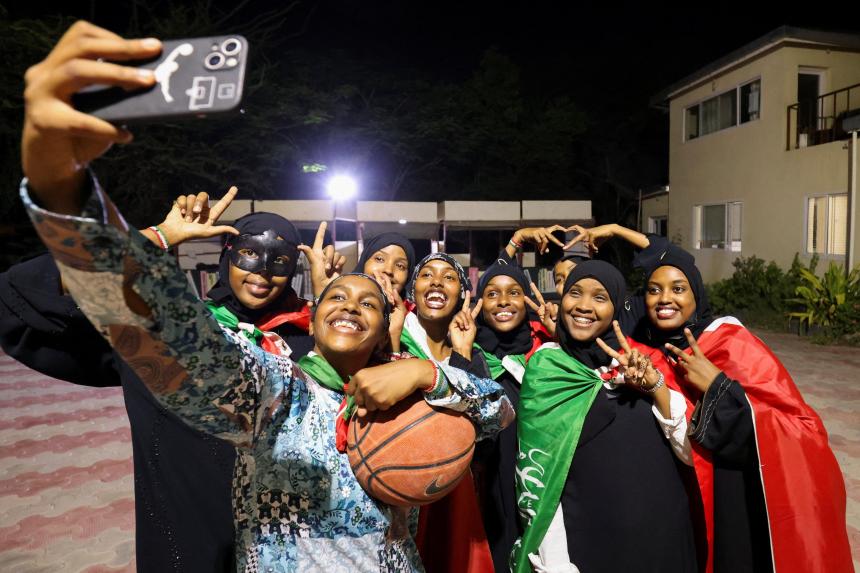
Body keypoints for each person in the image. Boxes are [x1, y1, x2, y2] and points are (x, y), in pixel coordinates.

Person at [18, 21, 513, 572]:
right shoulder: (277, 392)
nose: (349, 304)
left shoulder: (408, 393)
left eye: (368, 302)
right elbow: (169, 326)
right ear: (314, 311)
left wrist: (426, 376)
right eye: (336, 296)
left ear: (386, 324)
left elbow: (497, 410)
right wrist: (64, 187)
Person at [624, 238, 852, 573]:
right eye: (654, 290)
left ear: (696, 294)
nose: (665, 299)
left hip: (739, 498)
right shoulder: (650, 347)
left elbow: (798, 425)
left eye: (678, 288)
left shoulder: (728, 340)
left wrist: (718, 386)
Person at [513, 261, 697, 573]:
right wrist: (556, 563)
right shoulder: (547, 369)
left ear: (616, 307)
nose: (584, 306)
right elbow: (537, 475)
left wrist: (655, 387)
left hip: (663, 543)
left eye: (600, 297)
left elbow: (691, 453)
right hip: (590, 547)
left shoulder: (647, 361)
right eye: (575, 293)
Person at [469, 260, 553, 572]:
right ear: (480, 303)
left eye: (513, 292)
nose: (503, 301)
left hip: (539, 481)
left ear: (527, 301)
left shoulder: (546, 353)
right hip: (488, 487)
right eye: (492, 294)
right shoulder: (469, 354)